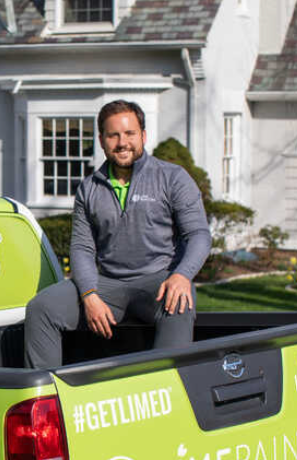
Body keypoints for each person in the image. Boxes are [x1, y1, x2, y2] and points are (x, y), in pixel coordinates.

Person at [24, 100, 211, 369]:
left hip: (158, 281)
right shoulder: (89, 188)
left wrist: (182, 275)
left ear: (143, 136)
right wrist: (89, 294)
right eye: (113, 135)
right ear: (101, 140)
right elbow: (82, 248)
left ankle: (165, 393)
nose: (122, 142)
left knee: (180, 303)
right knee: (41, 309)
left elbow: (199, 235)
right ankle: (47, 400)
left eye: (130, 134)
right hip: (108, 283)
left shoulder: (172, 178)